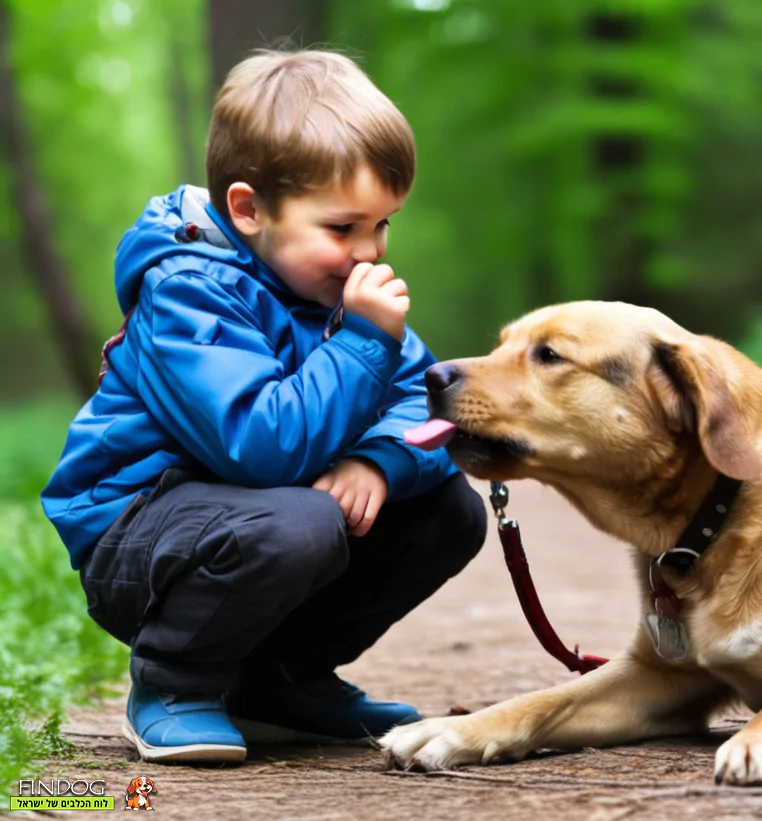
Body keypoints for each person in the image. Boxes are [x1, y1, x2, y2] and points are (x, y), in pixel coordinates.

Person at [40, 48, 487, 765]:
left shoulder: (329, 288)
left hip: (256, 519)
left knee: (447, 511)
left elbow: (421, 398)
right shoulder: (189, 292)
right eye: (343, 228)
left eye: (383, 226)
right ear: (249, 210)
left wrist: (377, 460)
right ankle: (176, 682)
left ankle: (280, 683)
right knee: (301, 520)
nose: (368, 252)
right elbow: (261, 444)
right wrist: (364, 341)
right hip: (140, 536)